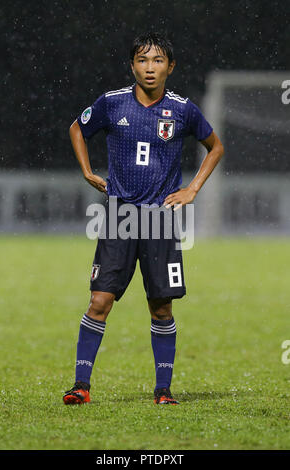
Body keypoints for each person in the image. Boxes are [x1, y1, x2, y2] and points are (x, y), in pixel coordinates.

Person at [63, 32, 224, 405]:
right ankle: (81, 386)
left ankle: (163, 391)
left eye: (157, 61)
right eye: (142, 60)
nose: (149, 68)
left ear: (170, 66)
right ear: (132, 65)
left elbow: (215, 147)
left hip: (161, 220)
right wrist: (87, 172)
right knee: (99, 301)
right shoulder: (111, 103)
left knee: (161, 306)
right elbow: (77, 128)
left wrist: (192, 189)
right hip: (120, 216)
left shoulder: (183, 110)